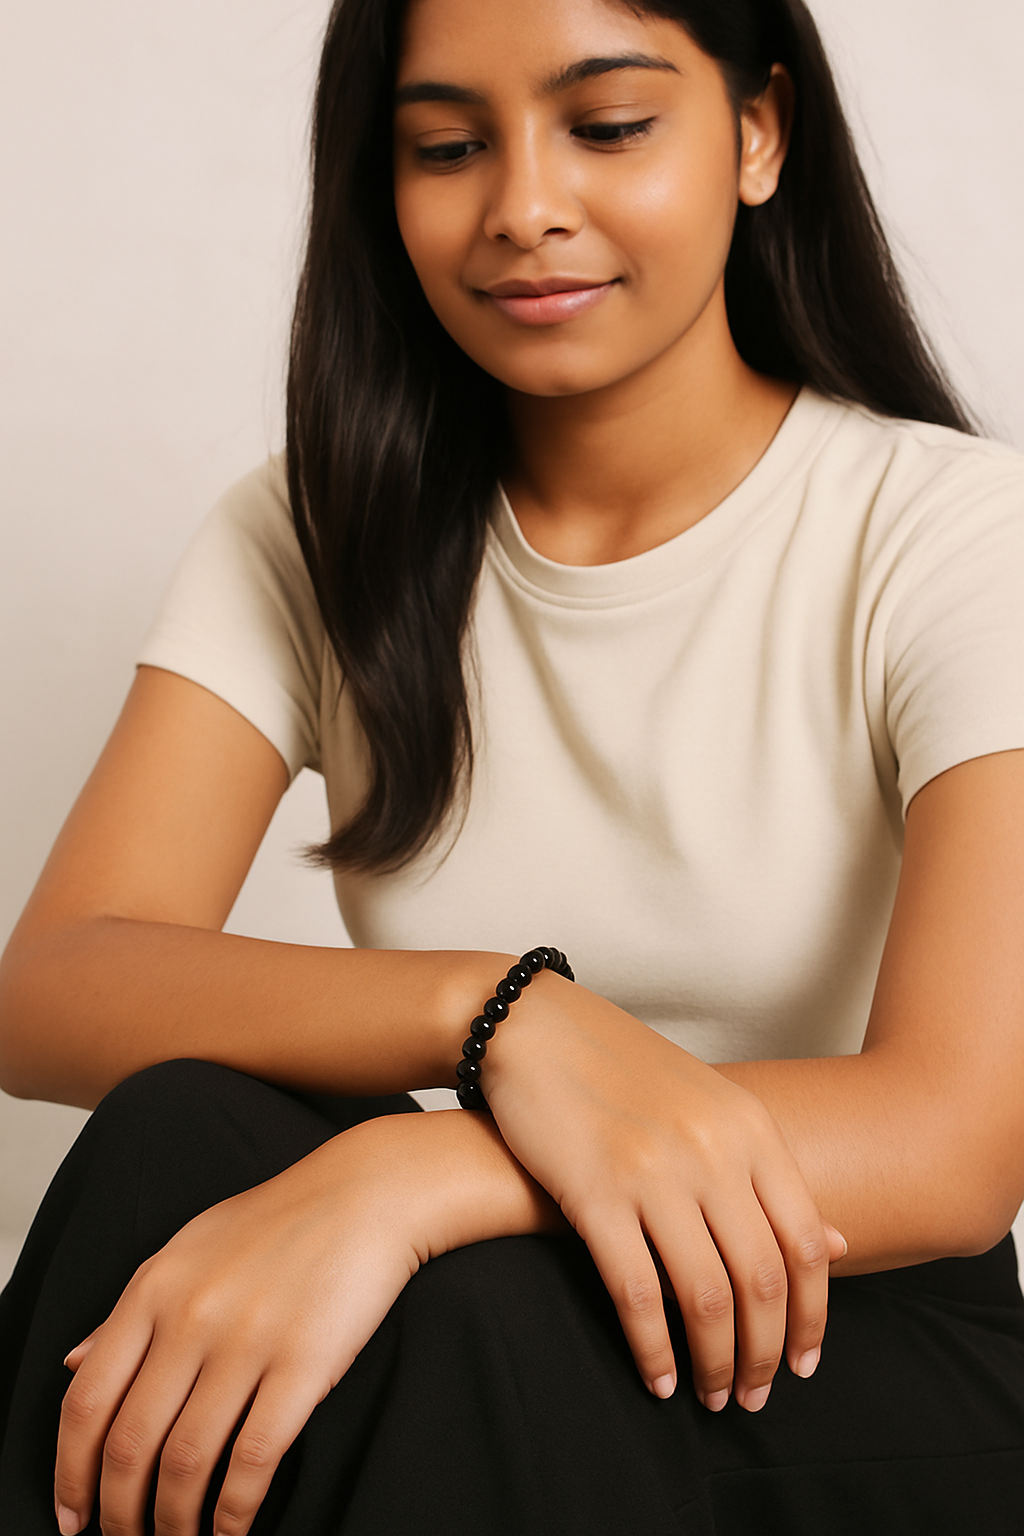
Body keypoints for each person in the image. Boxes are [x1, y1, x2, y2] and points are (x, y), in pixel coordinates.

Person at [1, 0, 1023, 1530]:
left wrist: (418, 1178)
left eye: (608, 128)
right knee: (183, 1141)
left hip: (845, 1328)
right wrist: (504, 1022)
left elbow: (955, 1147)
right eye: (447, 147)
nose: (524, 209)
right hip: (503, 1328)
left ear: (758, 136)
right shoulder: (316, 529)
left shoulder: (952, 532)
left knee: (444, 1320)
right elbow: (57, 983)